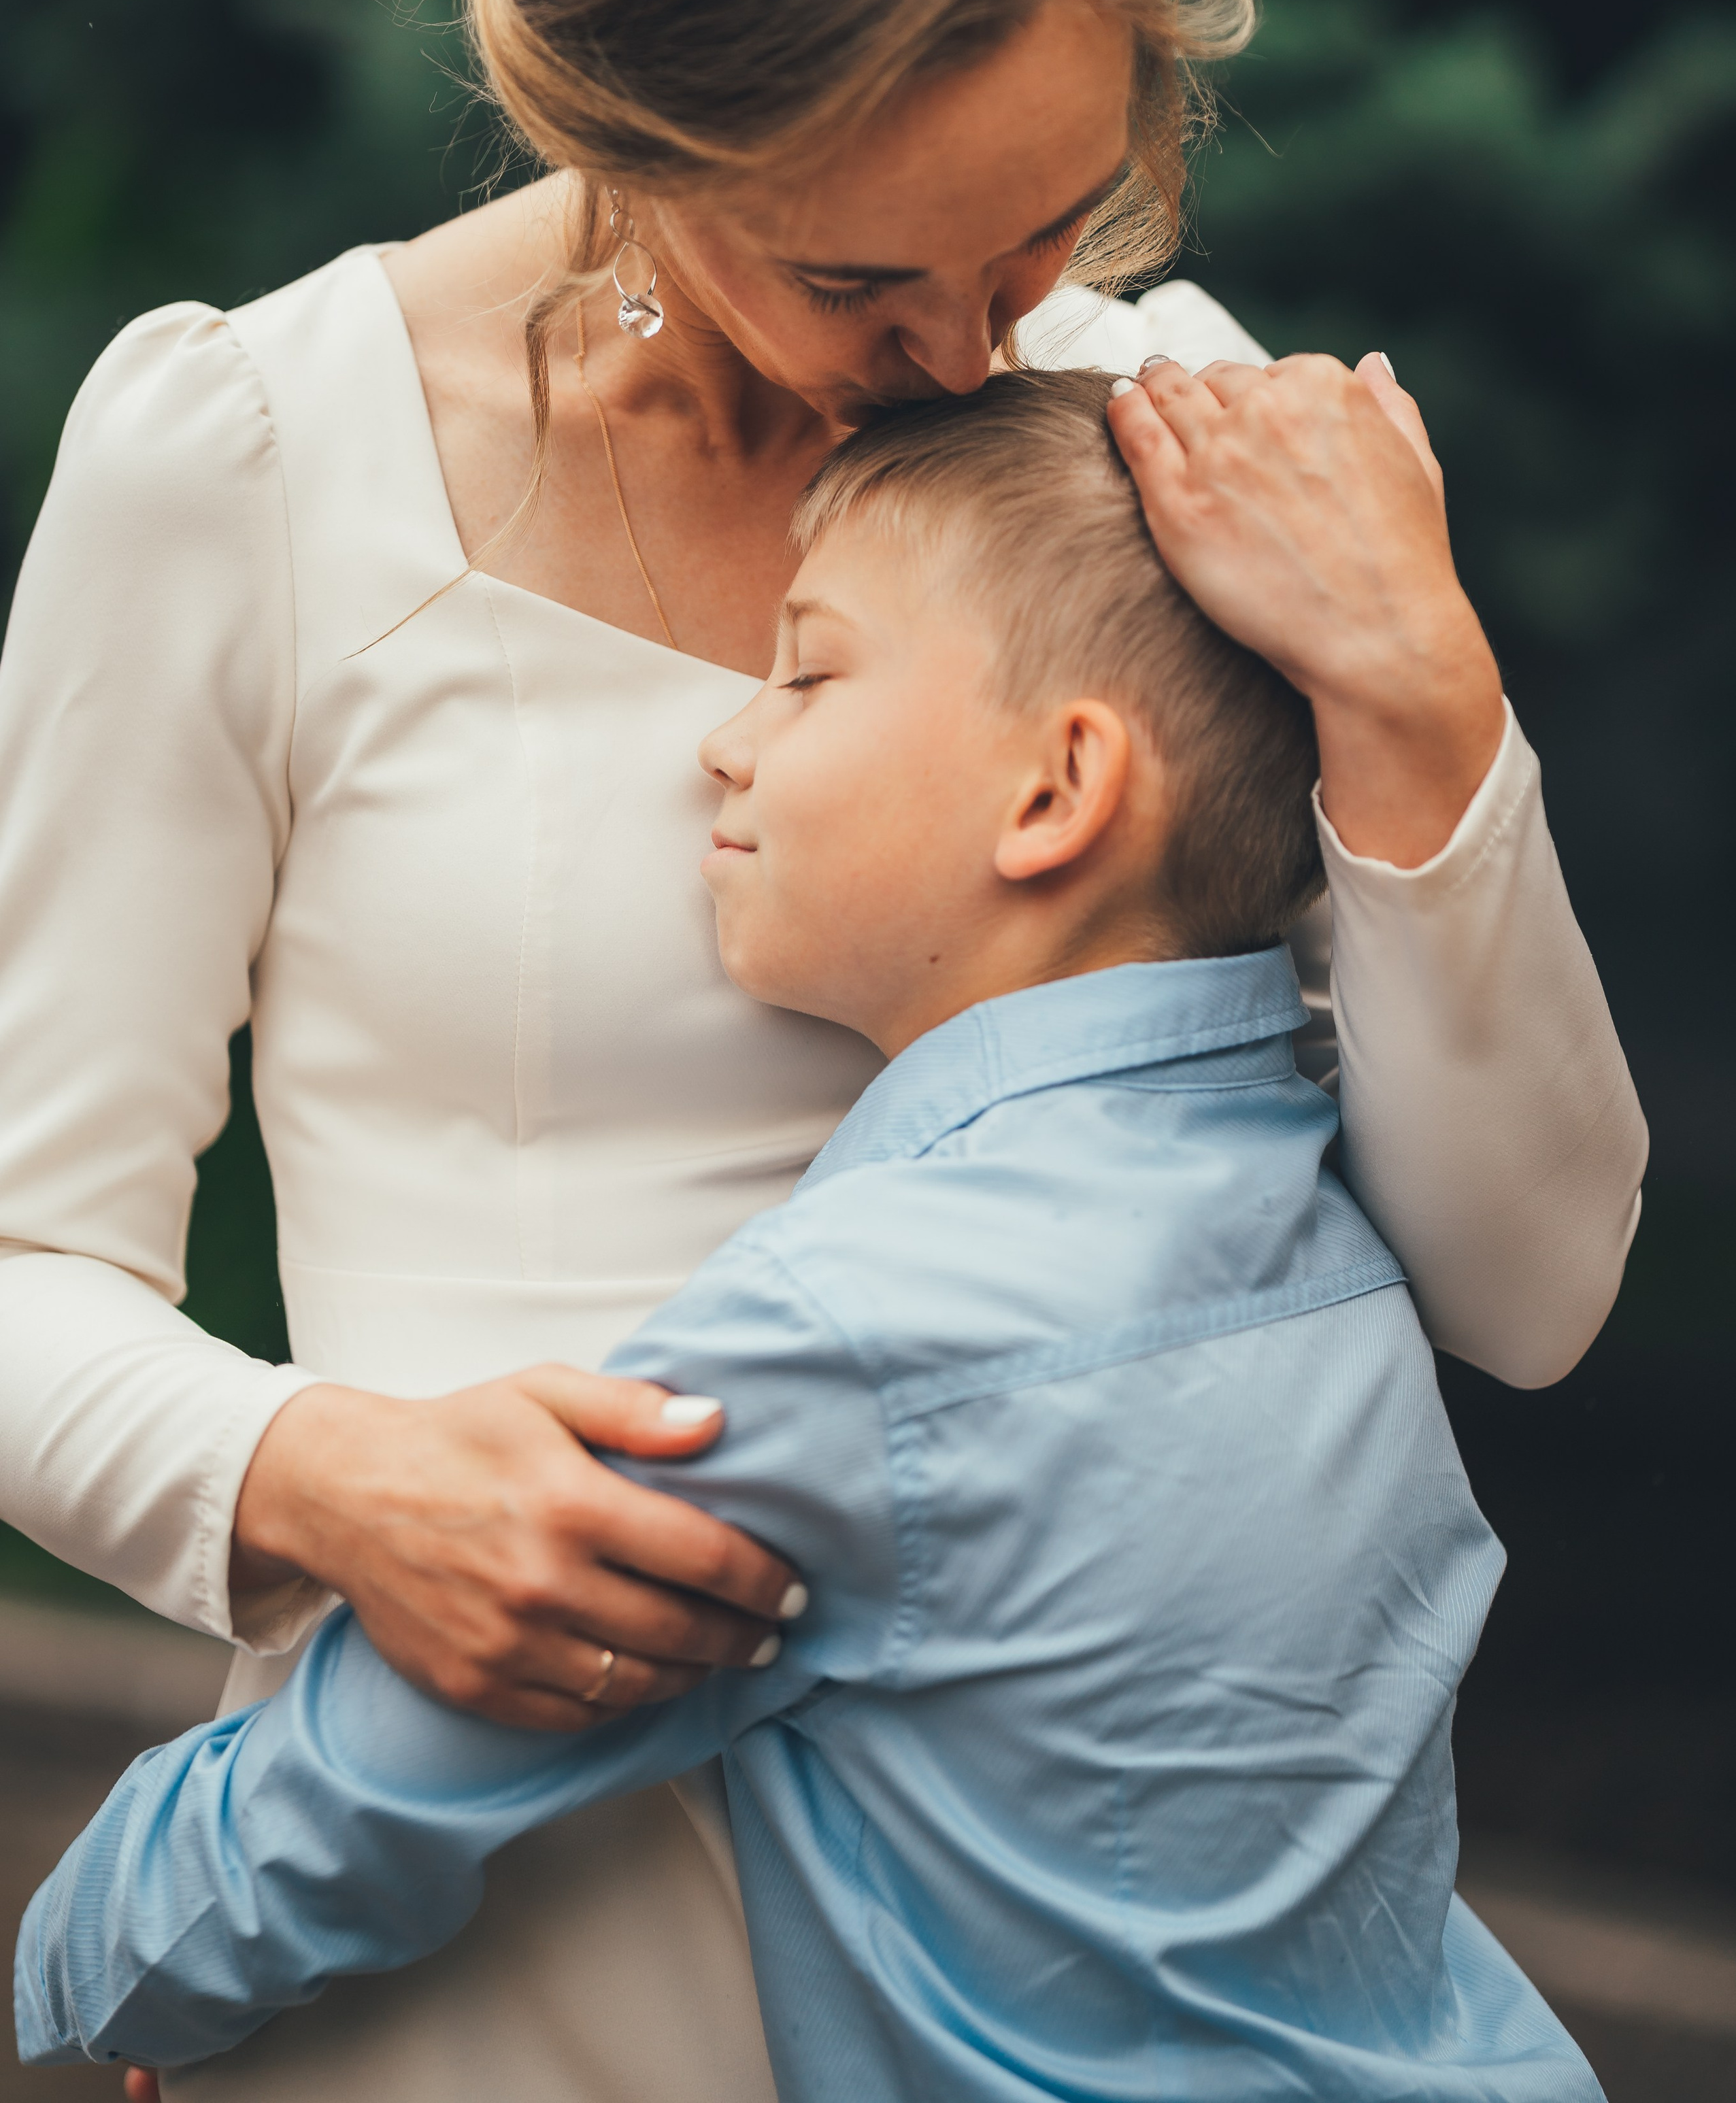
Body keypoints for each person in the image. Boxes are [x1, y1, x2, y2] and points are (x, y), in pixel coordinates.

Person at [0, 0, 1643, 2103]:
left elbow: (1526, 1289)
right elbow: (16, 1261)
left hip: (1083, 1998)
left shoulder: (1153, 448)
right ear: (635, 125)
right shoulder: (244, 455)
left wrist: (1419, 691)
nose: (995, 337)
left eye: (1057, 222)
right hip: (472, 1951)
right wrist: (319, 1474)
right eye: (873, 275)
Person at [20, 371, 1601, 2102]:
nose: (722, 732)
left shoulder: (842, 1343)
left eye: (807, 668)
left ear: (1055, 791)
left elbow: (316, 1828)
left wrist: (101, 1969)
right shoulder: (1332, 1214)